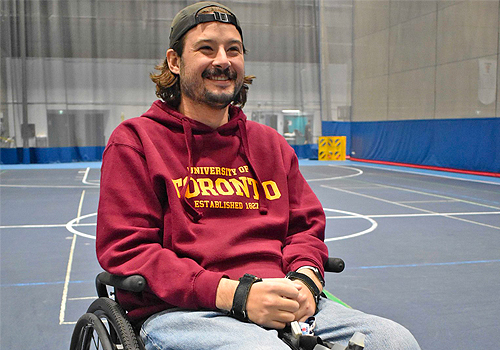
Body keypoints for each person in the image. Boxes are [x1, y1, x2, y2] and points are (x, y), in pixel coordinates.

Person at [96, 2, 421, 349]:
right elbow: (129, 249)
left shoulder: (270, 144)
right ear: (175, 62)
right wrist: (235, 295)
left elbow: (304, 229)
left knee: (394, 341)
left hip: (281, 301)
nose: (223, 60)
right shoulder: (136, 141)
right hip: (184, 310)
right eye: (207, 49)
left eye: (233, 50)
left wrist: (307, 280)